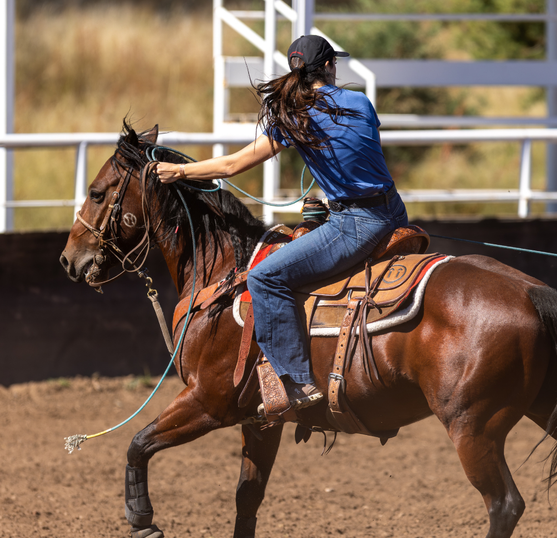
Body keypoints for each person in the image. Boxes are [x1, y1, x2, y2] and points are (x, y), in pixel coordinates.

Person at [156, 34, 408, 409]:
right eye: (334, 63)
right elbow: (360, 156)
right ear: (328, 67)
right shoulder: (361, 102)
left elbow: (230, 165)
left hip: (355, 224)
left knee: (264, 277)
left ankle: (298, 382)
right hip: (392, 211)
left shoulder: (293, 118)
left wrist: (179, 171)